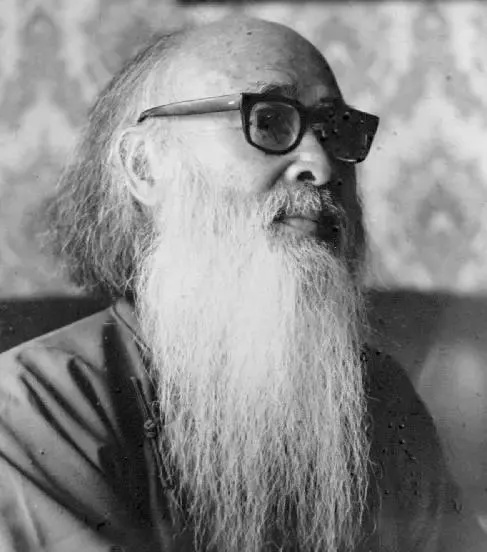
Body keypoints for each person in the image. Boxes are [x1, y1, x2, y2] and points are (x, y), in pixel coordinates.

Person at [0, 15, 476, 552]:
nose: (320, 165)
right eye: (269, 122)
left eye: (335, 129)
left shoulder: (381, 397)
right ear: (145, 167)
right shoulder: (36, 406)